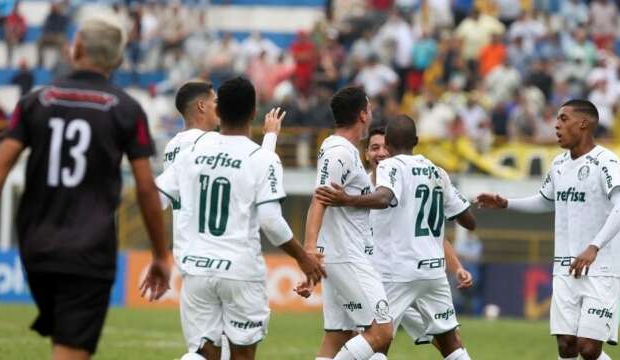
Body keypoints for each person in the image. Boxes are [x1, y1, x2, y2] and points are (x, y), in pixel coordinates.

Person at [0, 14, 170, 360]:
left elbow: (0, 170)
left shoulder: (34, 101)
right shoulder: (126, 109)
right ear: (119, 60)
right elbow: (146, 188)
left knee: (62, 341)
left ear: (73, 49)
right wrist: (161, 255)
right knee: (71, 350)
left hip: (35, 247)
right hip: (88, 249)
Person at [156, 77, 325, 360]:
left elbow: (155, 197)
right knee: (241, 356)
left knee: (203, 353)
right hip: (239, 270)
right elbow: (270, 220)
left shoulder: (190, 152)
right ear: (253, 111)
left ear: (219, 111)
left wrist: (157, 252)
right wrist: (302, 257)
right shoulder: (261, 158)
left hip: (195, 266)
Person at [476, 100, 620, 360]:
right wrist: (506, 203)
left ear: (583, 123)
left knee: (589, 349)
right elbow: (546, 200)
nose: (556, 125)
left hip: (601, 268)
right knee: (566, 346)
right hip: (565, 267)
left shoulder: (606, 162)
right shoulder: (559, 164)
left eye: (563, 119)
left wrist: (594, 247)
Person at [315, 116, 475, 360]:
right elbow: (468, 221)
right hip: (432, 274)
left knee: (377, 338)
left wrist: (346, 199)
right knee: (451, 342)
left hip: (393, 273)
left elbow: (384, 198)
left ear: (388, 145)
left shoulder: (390, 169)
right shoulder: (437, 171)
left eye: (382, 147)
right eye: (373, 148)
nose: (380, 153)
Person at [303, 86, 393, 360]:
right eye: (370, 108)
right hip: (347, 257)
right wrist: (308, 251)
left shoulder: (343, 150)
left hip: (340, 255)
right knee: (381, 332)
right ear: (363, 114)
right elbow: (319, 199)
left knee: (337, 335)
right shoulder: (339, 151)